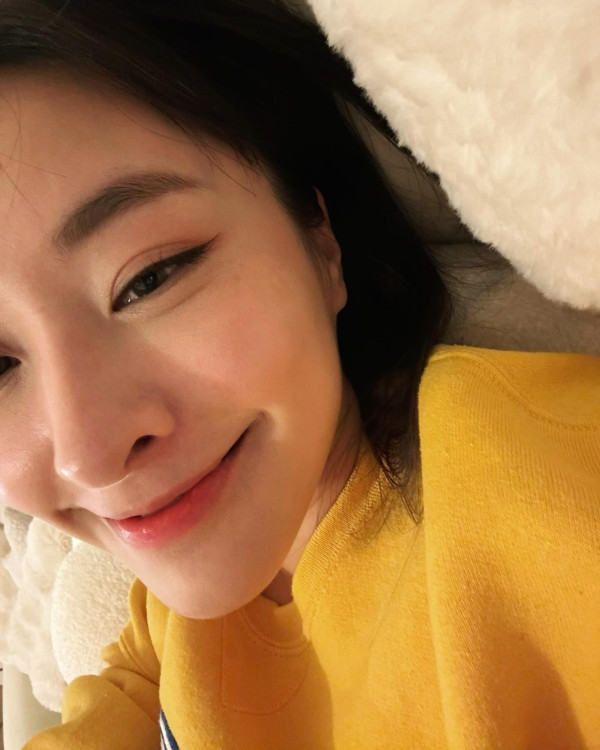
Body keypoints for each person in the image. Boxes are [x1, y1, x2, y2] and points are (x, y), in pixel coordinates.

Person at [0, 0, 597, 748]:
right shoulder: (165, 622)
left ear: (320, 241)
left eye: (150, 278)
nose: (90, 455)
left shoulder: (536, 496)